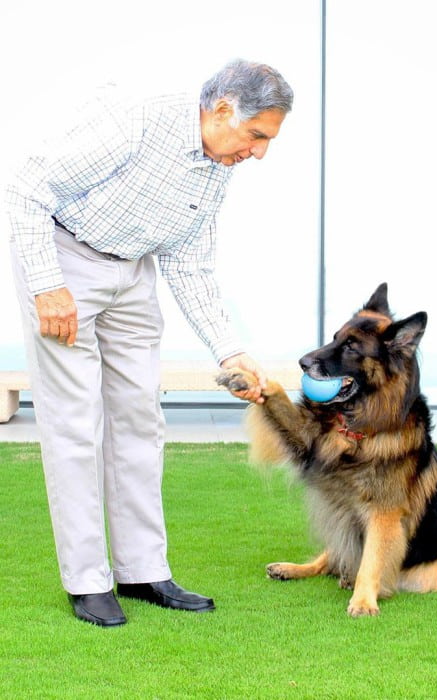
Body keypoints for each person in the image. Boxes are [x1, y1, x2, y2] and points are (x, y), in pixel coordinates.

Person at [5, 59, 293, 627]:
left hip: (134, 272)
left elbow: (189, 262)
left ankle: (142, 570)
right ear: (221, 110)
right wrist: (46, 286)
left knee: (140, 418)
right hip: (64, 260)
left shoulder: (219, 163)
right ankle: (87, 581)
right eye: (257, 136)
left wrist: (228, 350)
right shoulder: (136, 117)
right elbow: (26, 187)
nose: (259, 153)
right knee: (74, 423)